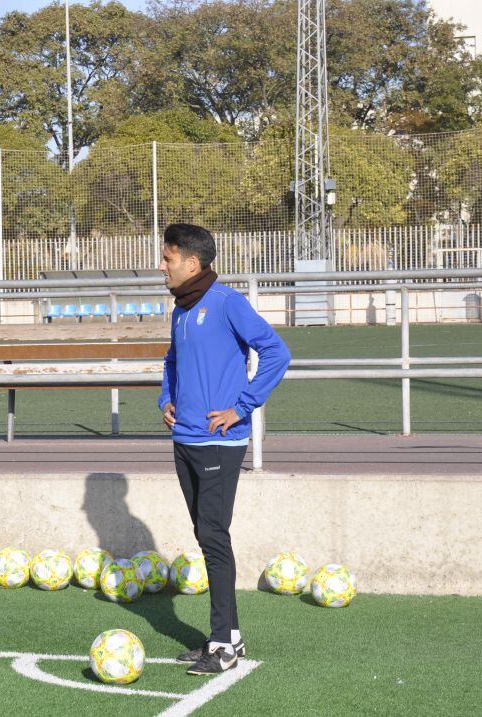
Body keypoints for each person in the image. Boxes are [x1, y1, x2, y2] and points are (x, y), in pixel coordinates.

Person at [157, 223, 291, 675]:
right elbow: (171, 360)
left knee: (214, 538)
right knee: (206, 535)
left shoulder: (228, 303)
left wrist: (242, 407)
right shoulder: (181, 307)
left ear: (191, 263)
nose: (162, 266)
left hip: (220, 441)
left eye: (168, 258)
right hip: (185, 438)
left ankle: (223, 646)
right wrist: (166, 399)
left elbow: (276, 353)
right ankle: (228, 636)